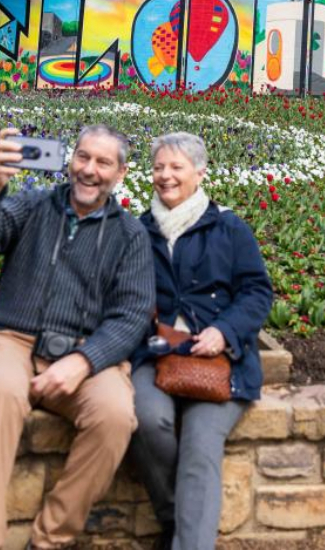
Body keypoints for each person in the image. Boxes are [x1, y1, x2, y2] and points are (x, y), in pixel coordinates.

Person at [0, 125, 155, 550]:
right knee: (1, 393)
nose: (89, 170)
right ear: (69, 159)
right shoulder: (33, 204)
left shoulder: (130, 235)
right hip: (12, 338)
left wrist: (84, 361)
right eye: (83, 157)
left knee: (115, 416)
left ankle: (49, 539)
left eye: (103, 162)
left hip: (83, 352)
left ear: (120, 173)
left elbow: (132, 315)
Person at [127, 132, 273, 550]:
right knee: (145, 420)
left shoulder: (228, 227)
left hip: (218, 359)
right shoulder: (138, 230)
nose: (165, 176)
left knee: (200, 443)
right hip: (155, 355)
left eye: (176, 167)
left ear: (200, 172)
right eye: (158, 167)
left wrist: (223, 331)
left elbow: (256, 291)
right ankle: (179, 521)